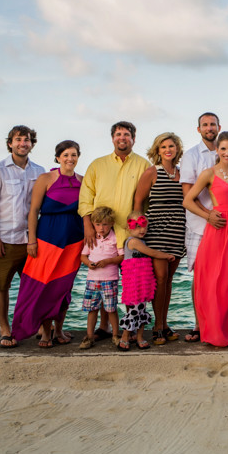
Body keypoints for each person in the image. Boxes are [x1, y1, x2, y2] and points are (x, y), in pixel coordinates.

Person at [78, 121, 151, 341]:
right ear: (112, 138)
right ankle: (104, 327)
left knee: (132, 287)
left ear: (134, 138)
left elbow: (147, 200)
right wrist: (88, 226)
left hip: (130, 238)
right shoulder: (97, 165)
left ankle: (130, 330)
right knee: (103, 282)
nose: (122, 138)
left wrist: (143, 229)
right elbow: (85, 198)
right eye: (118, 134)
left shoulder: (143, 165)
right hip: (101, 234)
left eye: (127, 134)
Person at [183, 131, 228, 348]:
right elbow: (188, 200)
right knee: (213, 283)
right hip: (217, 231)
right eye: (223, 148)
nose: (227, 152)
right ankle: (213, 333)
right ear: (217, 150)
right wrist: (208, 215)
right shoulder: (209, 174)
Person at [12, 140, 83, 347]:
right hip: (47, 239)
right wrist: (31, 240)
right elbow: (33, 211)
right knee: (42, 286)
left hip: (73, 241)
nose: (70, 159)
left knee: (63, 287)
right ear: (58, 157)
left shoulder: (84, 181)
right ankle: (44, 332)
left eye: (74, 155)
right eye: (66, 155)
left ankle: (58, 330)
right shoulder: (45, 178)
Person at [0, 125, 44, 348]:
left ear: (32, 144)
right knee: (1, 286)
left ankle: (40, 326)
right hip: (5, 240)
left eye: (27, 140)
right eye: (18, 139)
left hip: (31, 240)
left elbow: (42, 206)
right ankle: (5, 329)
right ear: (10, 143)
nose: (22, 143)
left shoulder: (40, 171)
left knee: (36, 286)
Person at [134, 132, 185, 345]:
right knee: (161, 279)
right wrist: (137, 231)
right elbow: (138, 203)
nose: (168, 150)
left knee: (169, 281)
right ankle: (158, 326)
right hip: (156, 231)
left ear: (177, 149)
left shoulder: (183, 173)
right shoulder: (152, 172)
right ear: (158, 150)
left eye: (171, 146)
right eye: (163, 147)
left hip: (178, 232)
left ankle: (164, 324)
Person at [179, 112, 225, 343]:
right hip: (199, 225)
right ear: (198, 129)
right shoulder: (191, 156)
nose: (209, 128)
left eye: (212, 124)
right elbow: (187, 194)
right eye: (205, 125)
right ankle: (198, 325)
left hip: (225, 226)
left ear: (219, 126)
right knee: (200, 278)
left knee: (222, 277)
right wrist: (208, 215)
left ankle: (219, 324)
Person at [117, 212, 175, 350]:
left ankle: (139, 337)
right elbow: (152, 253)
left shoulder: (142, 241)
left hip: (144, 281)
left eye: (144, 226)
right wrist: (167, 256)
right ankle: (125, 336)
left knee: (142, 309)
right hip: (134, 282)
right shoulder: (132, 241)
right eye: (137, 226)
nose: (142, 230)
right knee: (135, 310)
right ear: (128, 227)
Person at [78, 206, 122, 350]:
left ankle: (115, 335)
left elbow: (121, 257)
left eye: (105, 224)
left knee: (111, 309)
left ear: (111, 224)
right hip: (92, 279)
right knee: (92, 309)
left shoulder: (115, 238)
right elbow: (83, 256)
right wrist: (89, 263)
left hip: (110, 279)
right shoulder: (92, 238)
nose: (101, 228)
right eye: (97, 224)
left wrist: (108, 261)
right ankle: (89, 336)